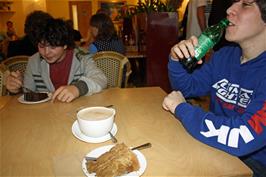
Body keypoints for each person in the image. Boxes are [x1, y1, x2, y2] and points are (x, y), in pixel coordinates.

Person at [162, 0, 266, 176]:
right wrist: (176, 60)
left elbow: (241, 137)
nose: (229, 9)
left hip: (253, 164)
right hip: (215, 146)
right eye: (234, 2)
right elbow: (187, 89)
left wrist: (181, 109)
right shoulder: (224, 55)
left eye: (246, 4)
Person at [6, 18, 107, 103]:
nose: (46, 52)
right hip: (45, 117)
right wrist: (16, 88)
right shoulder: (33, 61)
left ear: (65, 44)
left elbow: (101, 79)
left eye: (53, 47)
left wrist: (78, 88)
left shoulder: (82, 57)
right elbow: (27, 94)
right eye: (41, 46)